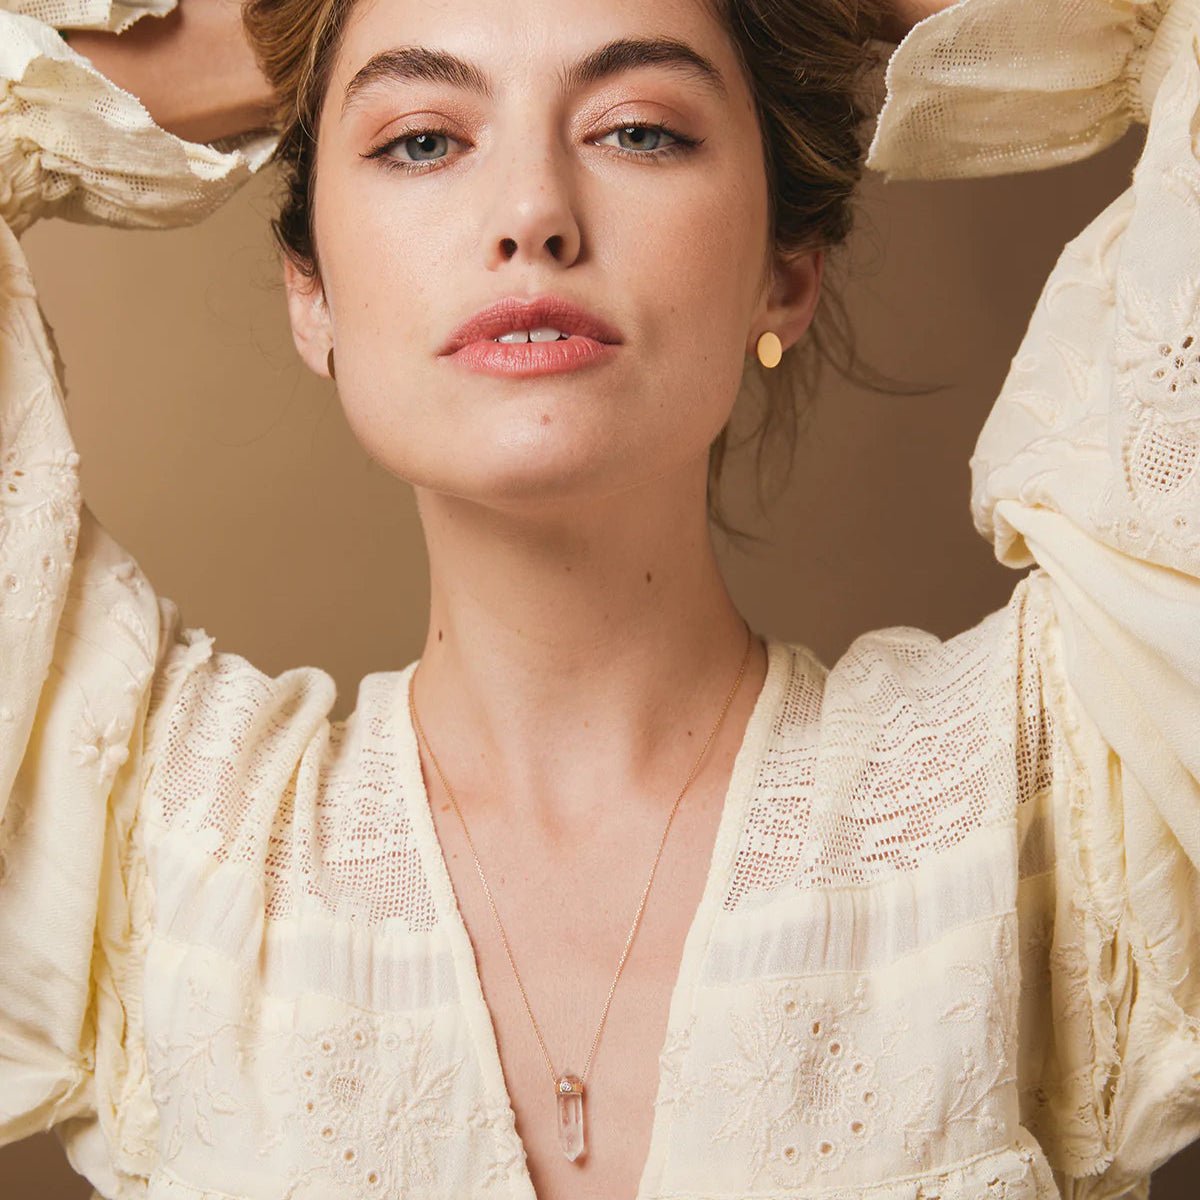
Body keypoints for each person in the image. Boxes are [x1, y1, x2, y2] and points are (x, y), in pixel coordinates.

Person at [0, 0, 1197, 1197]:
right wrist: (252, 36)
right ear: (311, 290)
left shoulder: (1048, 798)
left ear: (787, 270)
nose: (532, 215)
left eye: (638, 131)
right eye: (422, 139)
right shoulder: (166, 857)